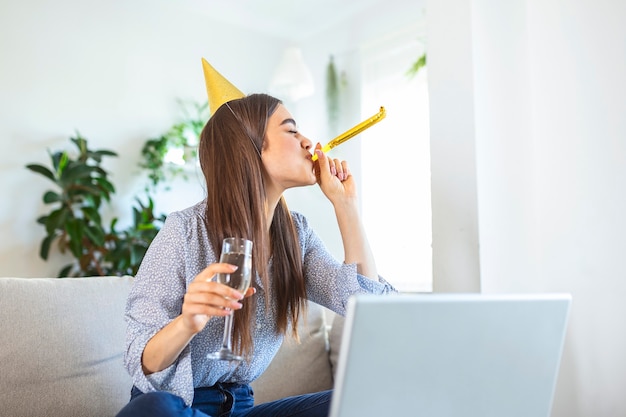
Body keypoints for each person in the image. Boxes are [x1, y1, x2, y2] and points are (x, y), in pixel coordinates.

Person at [115, 59, 396, 417]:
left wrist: (346, 205)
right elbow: (142, 361)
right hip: (181, 406)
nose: (308, 141)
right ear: (249, 149)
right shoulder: (184, 232)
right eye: (291, 131)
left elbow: (366, 305)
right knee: (155, 409)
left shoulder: (298, 235)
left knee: (366, 397)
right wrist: (188, 321)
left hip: (243, 409)